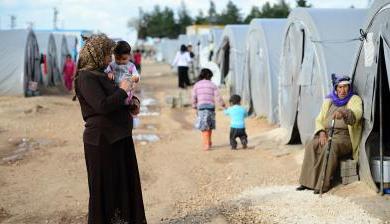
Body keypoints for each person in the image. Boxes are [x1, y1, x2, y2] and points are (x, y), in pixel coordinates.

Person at [74, 34, 147, 224]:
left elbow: (116, 99)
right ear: (97, 54)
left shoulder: (102, 73)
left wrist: (132, 103)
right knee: (104, 189)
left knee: (123, 186)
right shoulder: (86, 77)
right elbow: (102, 105)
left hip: (119, 138)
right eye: (107, 54)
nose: (110, 58)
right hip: (101, 141)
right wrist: (123, 89)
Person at [296, 73, 362, 194]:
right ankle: (307, 182)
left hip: (344, 138)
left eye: (345, 87)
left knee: (330, 146)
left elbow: (357, 114)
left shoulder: (354, 99)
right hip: (327, 133)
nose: (343, 90)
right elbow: (319, 119)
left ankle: (323, 184)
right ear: (335, 88)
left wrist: (344, 112)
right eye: (340, 87)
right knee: (312, 144)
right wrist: (321, 132)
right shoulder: (329, 100)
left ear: (349, 88)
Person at [192, 68, 225, 150]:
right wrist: (223, 105)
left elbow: (193, 97)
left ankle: (206, 143)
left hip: (201, 108)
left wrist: (194, 106)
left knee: (204, 127)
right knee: (209, 125)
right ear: (209, 76)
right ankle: (209, 142)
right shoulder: (213, 85)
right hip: (210, 108)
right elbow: (218, 97)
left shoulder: (196, 85)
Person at [105, 41, 140, 106]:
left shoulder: (131, 66)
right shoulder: (112, 65)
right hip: (115, 90)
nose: (121, 61)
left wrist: (135, 78)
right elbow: (106, 71)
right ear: (114, 55)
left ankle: (128, 105)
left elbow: (136, 75)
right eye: (117, 58)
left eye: (124, 59)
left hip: (127, 90)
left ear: (129, 56)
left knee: (126, 103)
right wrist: (109, 73)